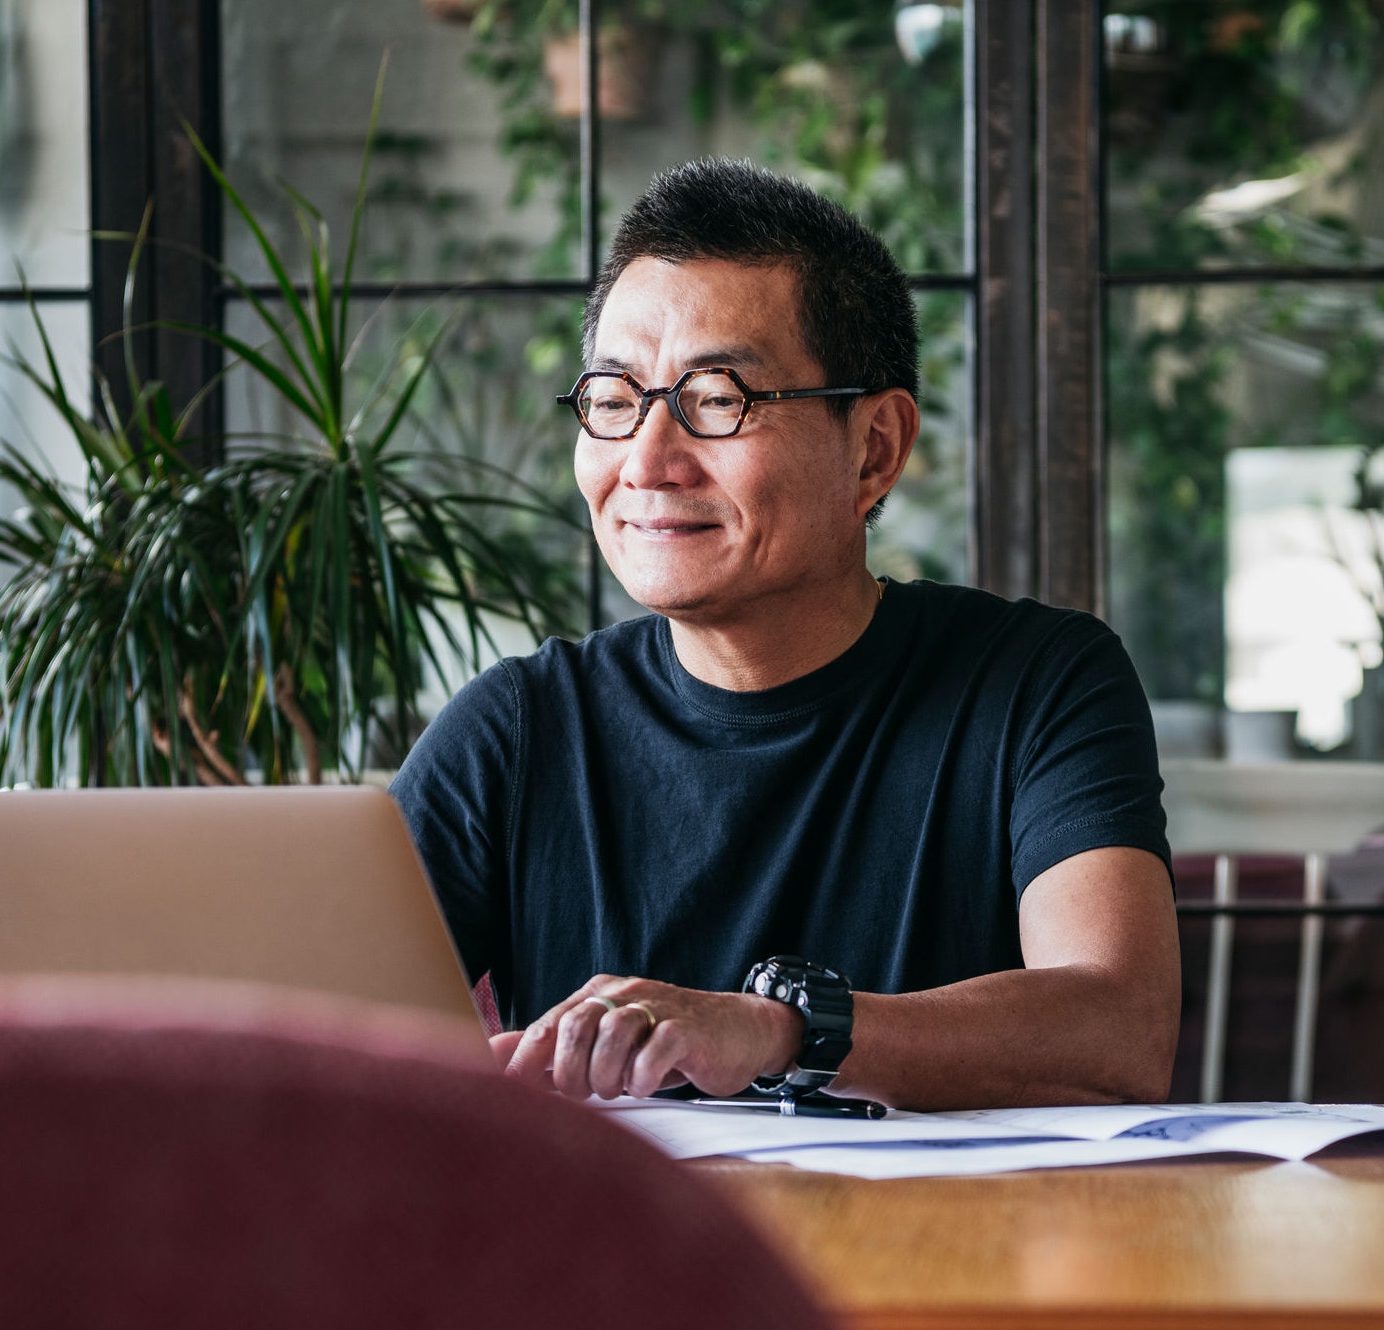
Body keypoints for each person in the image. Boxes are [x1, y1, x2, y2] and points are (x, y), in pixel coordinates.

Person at [392, 158, 1179, 1111]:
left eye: (718, 398)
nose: (647, 460)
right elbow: (308, 1039)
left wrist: (776, 1029)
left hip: (956, 1256)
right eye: (613, 398)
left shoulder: (1035, 682)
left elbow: (1117, 1030)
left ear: (875, 447)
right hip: (615, 1260)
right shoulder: (515, 733)